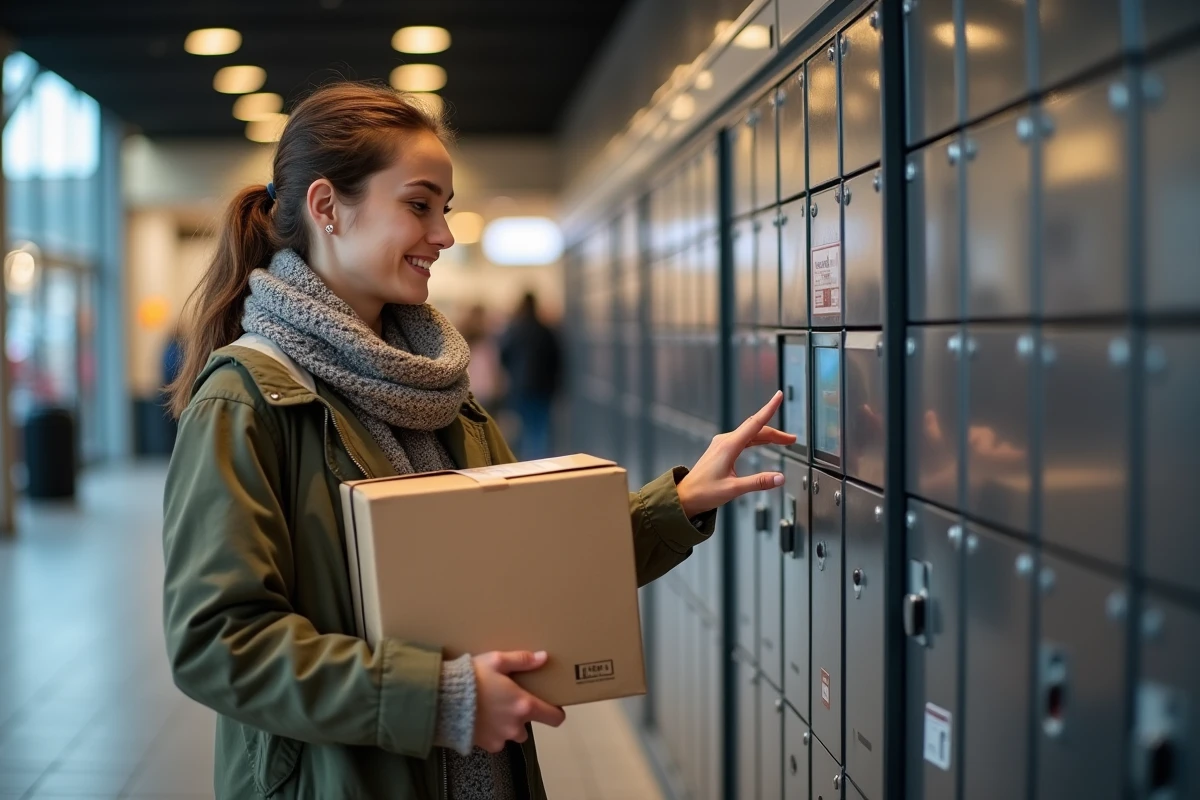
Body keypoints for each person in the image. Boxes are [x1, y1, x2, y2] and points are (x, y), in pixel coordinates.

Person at [161, 82, 794, 800]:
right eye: (419, 205)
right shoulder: (247, 399)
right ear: (328, 207)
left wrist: (675, 503)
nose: (444, 236)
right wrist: (435, 698)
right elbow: (217, 645)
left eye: (445, 210)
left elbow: (530, 566)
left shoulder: (442, 393)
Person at [498, 293, 560, 459]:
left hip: (521, 387)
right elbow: (557, 360)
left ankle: (528, 465)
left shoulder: (514, 330)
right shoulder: (545, 331)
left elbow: (503, 356)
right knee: (541, 427)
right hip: (543, 388)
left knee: (524, 427)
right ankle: (542, 464)